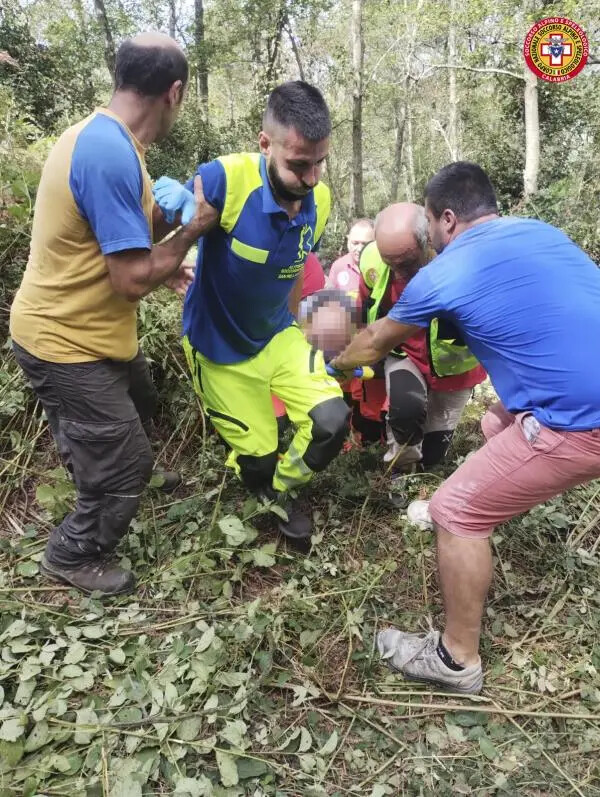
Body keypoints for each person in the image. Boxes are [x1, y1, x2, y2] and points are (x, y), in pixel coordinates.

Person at [330, 162, 600, 694]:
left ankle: (456, 661)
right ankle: (499, 495)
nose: (430, 237)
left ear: (447, 218)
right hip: (574, 401)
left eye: (431, 225)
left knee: (455, 511)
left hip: (578, 423)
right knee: (496, 421)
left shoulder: (447, 269)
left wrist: (331, 362)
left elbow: (373, 342)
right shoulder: (539, 231)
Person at [9, 33, 214, 597]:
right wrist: (192, 230)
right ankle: (74, 551)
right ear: (175, 92)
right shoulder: (107, 153)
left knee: (139, 403)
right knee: (125, 461)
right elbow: (129, 280)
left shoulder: (112, 140)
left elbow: (119, 234)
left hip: (94, 334)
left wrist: (164, 237)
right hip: (63, 340)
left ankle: (105, 460)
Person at [154, 81, 350, 548]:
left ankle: (282, 488)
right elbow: (148, 234)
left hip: (278, 335)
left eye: (320, 162)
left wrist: (300, 332)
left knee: (331, 422)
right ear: (265, 144)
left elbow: (296, 267)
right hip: (219, 347)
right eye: (298, 164)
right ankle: (262, 480)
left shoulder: (320, 200)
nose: (312, 178)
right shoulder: (226, 179)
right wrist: (176, 223)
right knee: (256, 459)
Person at [352, 204, 486, 504]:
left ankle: (426, 474)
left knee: (435, 451)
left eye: (406, 262)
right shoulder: (372, 260)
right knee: (405, 410)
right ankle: (400, 472)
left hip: (455, 367)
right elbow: (365, 307)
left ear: (428, 241)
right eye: (391, 262)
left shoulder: (464, 261)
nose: (399, 271)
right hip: (405, 353)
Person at [326, 218, 374, 299]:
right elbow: (330, 299)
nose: (359, 249)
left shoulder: (381, 266)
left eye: (365, 244)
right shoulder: (338, 266)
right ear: (348, 241)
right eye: (355, 243)